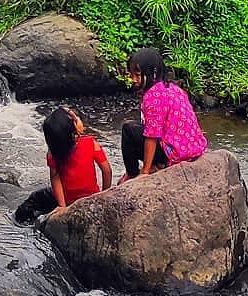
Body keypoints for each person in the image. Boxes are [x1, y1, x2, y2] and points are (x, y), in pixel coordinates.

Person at [14, 106, 112, 225]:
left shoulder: (54, 153)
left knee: (36, 198)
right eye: (76, 119)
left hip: (67, 200)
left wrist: (62, 206)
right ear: (73, 132)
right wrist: (104, 195)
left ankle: (17, 220)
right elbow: (107, 170)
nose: (79, 119)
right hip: (92, 196)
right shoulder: (90, 143)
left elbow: (55, 178)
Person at [120, 47, 209, 179]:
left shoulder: (153, 96)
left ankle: (132, 173)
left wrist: (145, 171)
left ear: (153, 73)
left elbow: (152, 135)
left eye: (138, 75)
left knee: (128, 129)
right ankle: (157, 164)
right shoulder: (174, 88)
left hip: (173, 154)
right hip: (192, 148)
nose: (133, 79)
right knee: (141, 127)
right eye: (131, 75)